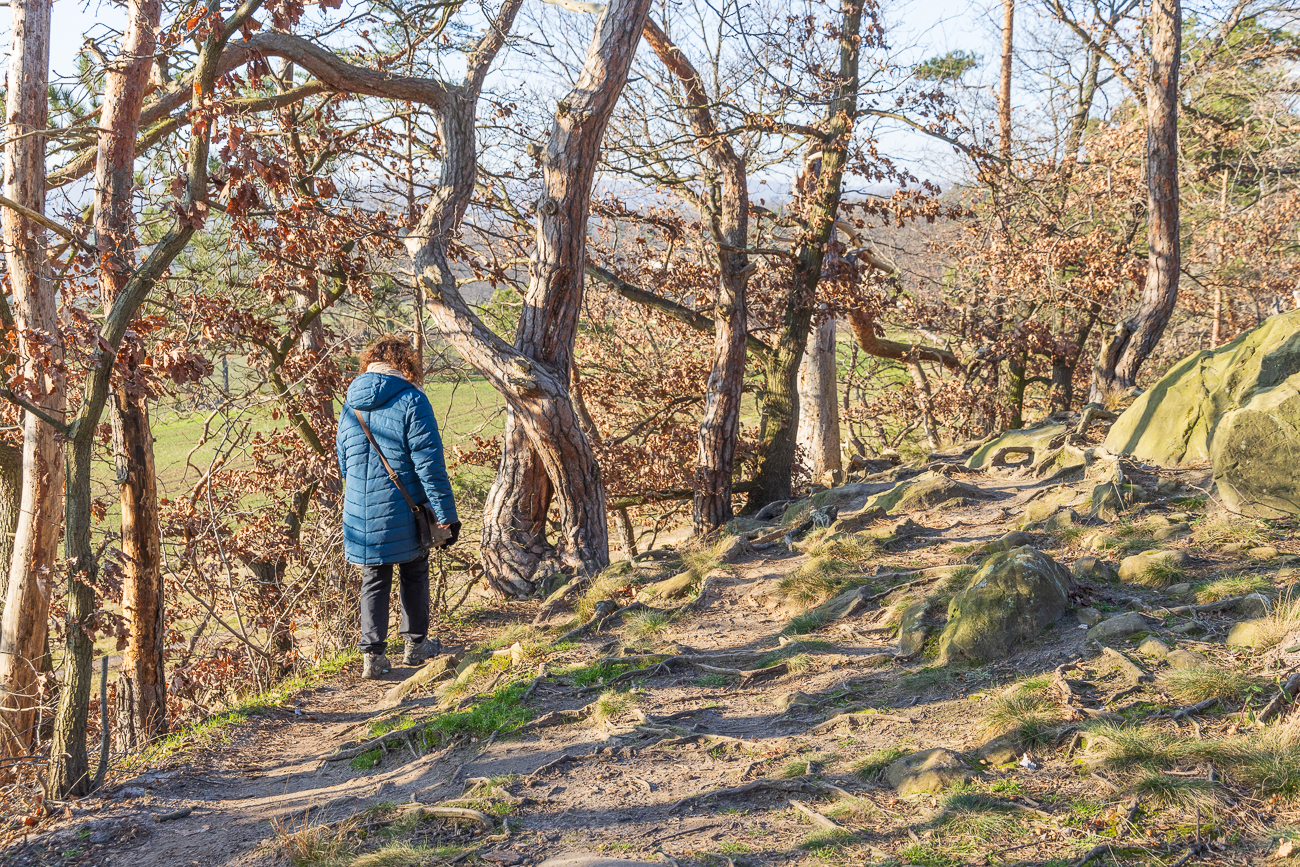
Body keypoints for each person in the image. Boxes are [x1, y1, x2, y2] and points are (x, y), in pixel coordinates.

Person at [336, 335, 461, 679]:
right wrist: (446, 516)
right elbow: (429, 464)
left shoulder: (351, 405)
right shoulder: (411, 400)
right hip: (403, 506)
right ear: (405, 363)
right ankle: (415, 645)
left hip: (359, 512)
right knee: (415, 568)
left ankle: (372, 657)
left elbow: (344, 463)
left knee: (373, 577)